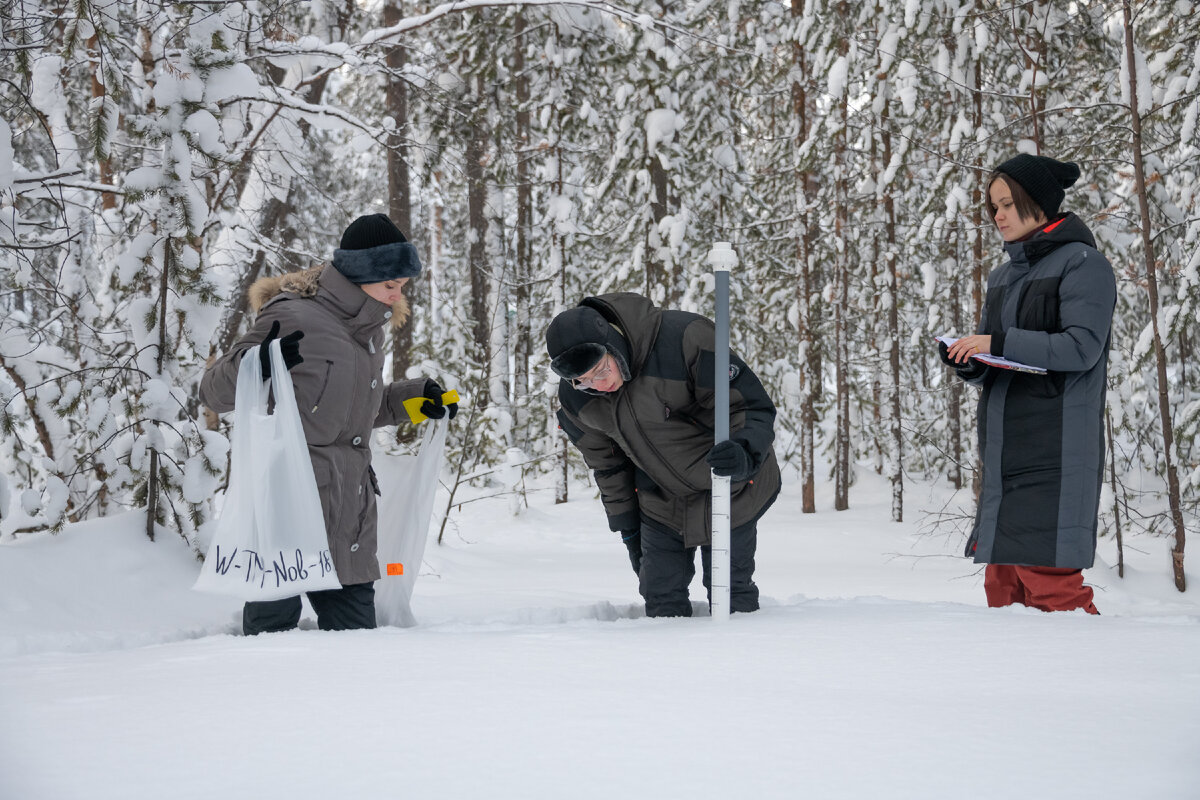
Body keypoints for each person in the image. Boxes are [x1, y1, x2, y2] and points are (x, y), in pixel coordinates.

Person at [200, 213, 457, 634]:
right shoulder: (293, 314)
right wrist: (257, 365)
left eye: (402, 287)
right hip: (288, 510)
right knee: (270, 645)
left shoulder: (371, 330)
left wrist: (413, 400)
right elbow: (214, 392)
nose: (397, 295)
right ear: (359, 274)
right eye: (390, 285)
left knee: (359, 648)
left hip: (350, 514)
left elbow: (350, 413)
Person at [940, 153, 1115, 614]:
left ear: (1038, 203)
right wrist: (971, 361)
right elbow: (1005, 357)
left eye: (1006, 204)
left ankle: (1098, 676)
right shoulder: (1003, 276)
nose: (997, 216)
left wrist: (996, 340)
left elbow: (1081, 349)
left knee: (1052, 586)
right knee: (1003, 588)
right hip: (1004, 452)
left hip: (1056, 451)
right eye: (992, 207)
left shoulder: (1083, 264)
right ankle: (1017, 684)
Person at [547, 292, 780, 617]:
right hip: (662, 500)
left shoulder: (684, 339)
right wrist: (628, 528)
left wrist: (744, 450)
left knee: (730, 595)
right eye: (583, 382)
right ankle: (666, 669)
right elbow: (608, 466)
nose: (597, 386)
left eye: (600, 372)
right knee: (660, 596)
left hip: (729, 486)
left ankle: (735, 665)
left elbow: (749, 407)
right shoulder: (577, 401)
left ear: (613, 344)